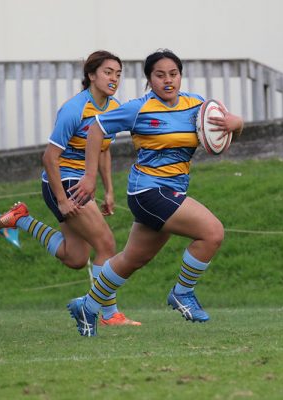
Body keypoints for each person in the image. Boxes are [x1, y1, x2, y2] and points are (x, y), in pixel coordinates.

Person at [66, 49, 244, 336]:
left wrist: (237, 124)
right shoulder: (139, 108)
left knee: (132, 259)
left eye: (173, 74)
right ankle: (182, 293)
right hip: (147, 191)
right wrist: (89, 177)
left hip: (171, 191)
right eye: (160, 75)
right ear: (149, 79)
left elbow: (227, 129)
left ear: (180, 76)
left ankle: (87, 305)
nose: (168, 81)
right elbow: (96, 128)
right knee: (212, 232)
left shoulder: (197, 106)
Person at [0, 50, 140, 326]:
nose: (114, 78)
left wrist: (108, 191)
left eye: (118, 73)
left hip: (81, 184)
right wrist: (61, 200)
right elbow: (49, 158)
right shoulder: (75, 109)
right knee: (106, 243)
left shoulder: (114, 107)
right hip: (64, 183)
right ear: (91, 75)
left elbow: (103, 152)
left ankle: (21, 219)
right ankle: (108, 314)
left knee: (75, 257)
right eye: (108, 72)